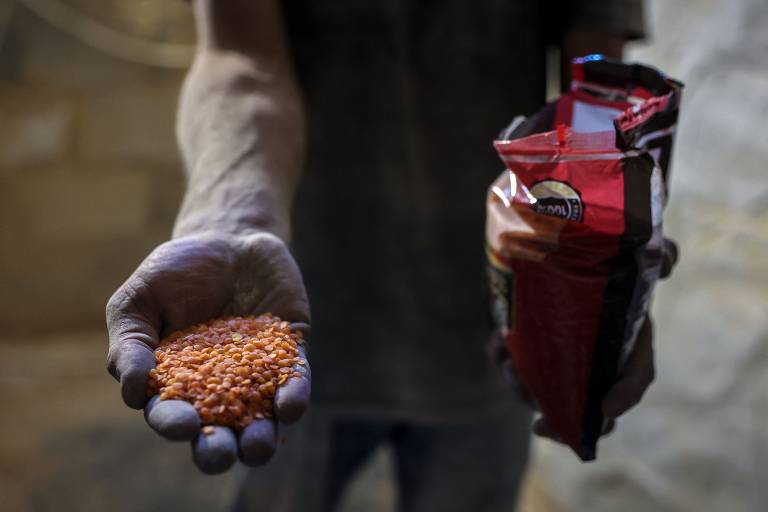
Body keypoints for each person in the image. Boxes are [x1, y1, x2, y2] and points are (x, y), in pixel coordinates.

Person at [106, 1, 655, 510]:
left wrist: (602, 245)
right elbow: (243, 57)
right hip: (291, 306)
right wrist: (230, 219)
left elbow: (596, 77)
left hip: (497, 313)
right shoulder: (269, 332)